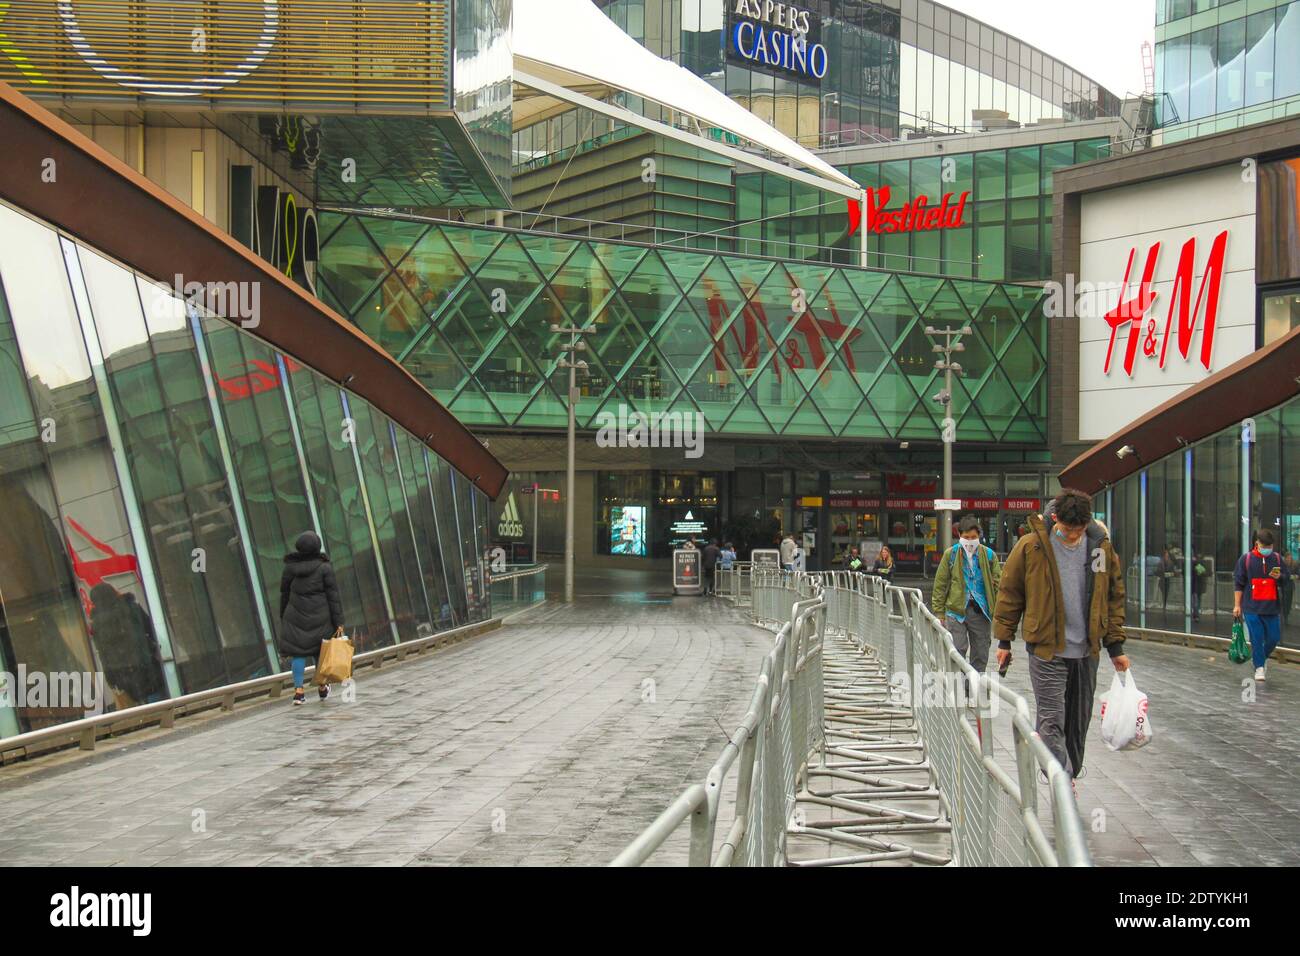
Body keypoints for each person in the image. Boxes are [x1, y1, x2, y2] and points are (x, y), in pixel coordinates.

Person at [993, 490, 1129, 787]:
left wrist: (1115, 646)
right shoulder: (1033, 546)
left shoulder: (1098, 549)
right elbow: (1010, 592)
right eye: (1068, 529)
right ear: (1056, 519)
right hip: (1046, 649)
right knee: (1051, 718)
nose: (1072, 536)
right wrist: (1004, 641)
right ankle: (1061, 781)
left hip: (1086, 650)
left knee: (1078, 721)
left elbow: (1113, 596)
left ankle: (1071, 771)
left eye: (1078, 530)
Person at [279, 530, 344, 705]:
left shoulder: (290, 568)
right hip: (320, 616)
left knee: (298, 654)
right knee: (319, 652)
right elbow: (333, 597)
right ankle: (322, 686)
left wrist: (283, 615)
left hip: (295, 617)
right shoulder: (324, 568)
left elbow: (284, 594)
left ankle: (299, 692)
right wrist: (339, 622)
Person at [931, 516, 1001, 677]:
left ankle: (974, 689)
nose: (970, 541)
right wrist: (939, 612)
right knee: (957, 650)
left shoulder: (989, 555)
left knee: (981, 653)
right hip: (956, 611)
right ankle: (957, 689)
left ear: (979, 536)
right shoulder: (951, 554)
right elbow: (940, 584)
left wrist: (1000, 611)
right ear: (959, 536)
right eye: (966, 537)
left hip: (981, 611)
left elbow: (999, 584)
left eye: (973, 537)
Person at [1233, 529, 1290, 682]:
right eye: (1265, 545)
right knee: (1256, 637)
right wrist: (1237, 605)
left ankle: (1260, 658)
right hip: (1251, 607)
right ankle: (1259, 667)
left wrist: (1280, 577)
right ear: (1257, 543)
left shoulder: (1277, 559)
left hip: (1271, 607)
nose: (1267, 549)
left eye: (1270, 546)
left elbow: (1287, 579)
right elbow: (1238, 584)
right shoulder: (1246, 559)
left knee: (1273, 637)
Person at [1191, 552, 1210, 624]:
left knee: (1197, 602)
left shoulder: (1199, 565)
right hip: (1197, 587)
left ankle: (1196, 615)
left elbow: (1207, 573)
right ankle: (1196, 615)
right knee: (1196, 602)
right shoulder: (1195, 565)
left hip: (1197, 587)